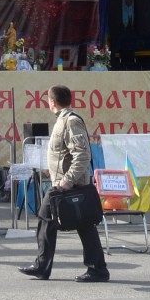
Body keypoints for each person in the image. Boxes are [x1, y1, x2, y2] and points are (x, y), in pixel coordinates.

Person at [18, 85, 110, 283]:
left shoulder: (71, 121)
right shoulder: (63, 120)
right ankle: (96, 269)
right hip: (64, 183)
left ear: (52, 101)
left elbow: (82, 155)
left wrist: (67, 180)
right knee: (80, 226)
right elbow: (65, 154)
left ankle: (45, 266)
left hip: (68, 185)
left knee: (47, 220)